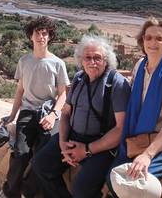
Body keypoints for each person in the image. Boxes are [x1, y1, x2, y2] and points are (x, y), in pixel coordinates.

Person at [32, 35, 131, 198]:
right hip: (72, 138)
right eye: (88, 58)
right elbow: (65, 113)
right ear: (81, 60)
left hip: (102, 145)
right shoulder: (79, 79)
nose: (92, 62)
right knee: (41, 165)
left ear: (106, 60)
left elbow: (121, 129)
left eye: (97, 58)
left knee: (82, 190)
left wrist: (86, 150)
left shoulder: (117, 84)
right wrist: (63, 143)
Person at [108, 17, 162, 197]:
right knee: (112, 179)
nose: (153, 43)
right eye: (148, 38)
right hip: (141, 135)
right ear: (142, 40)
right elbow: (134, 97)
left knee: (136, 181)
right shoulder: (140, 65)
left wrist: (147, 155)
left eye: (159, 38)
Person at [0, 16, 70, 198]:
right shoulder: (24, 61)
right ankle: (11, 192)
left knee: (43, 157)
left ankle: (28, 192)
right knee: (21, 153)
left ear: (49, 37)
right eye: (37, 33)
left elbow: (63, 94)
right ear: (31, 37)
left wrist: (54, 115)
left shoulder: (58, 64)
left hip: (48, 114)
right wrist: (13, 115)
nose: (41, 37)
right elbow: (20, 90)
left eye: (44, 33)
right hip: (28, 113)